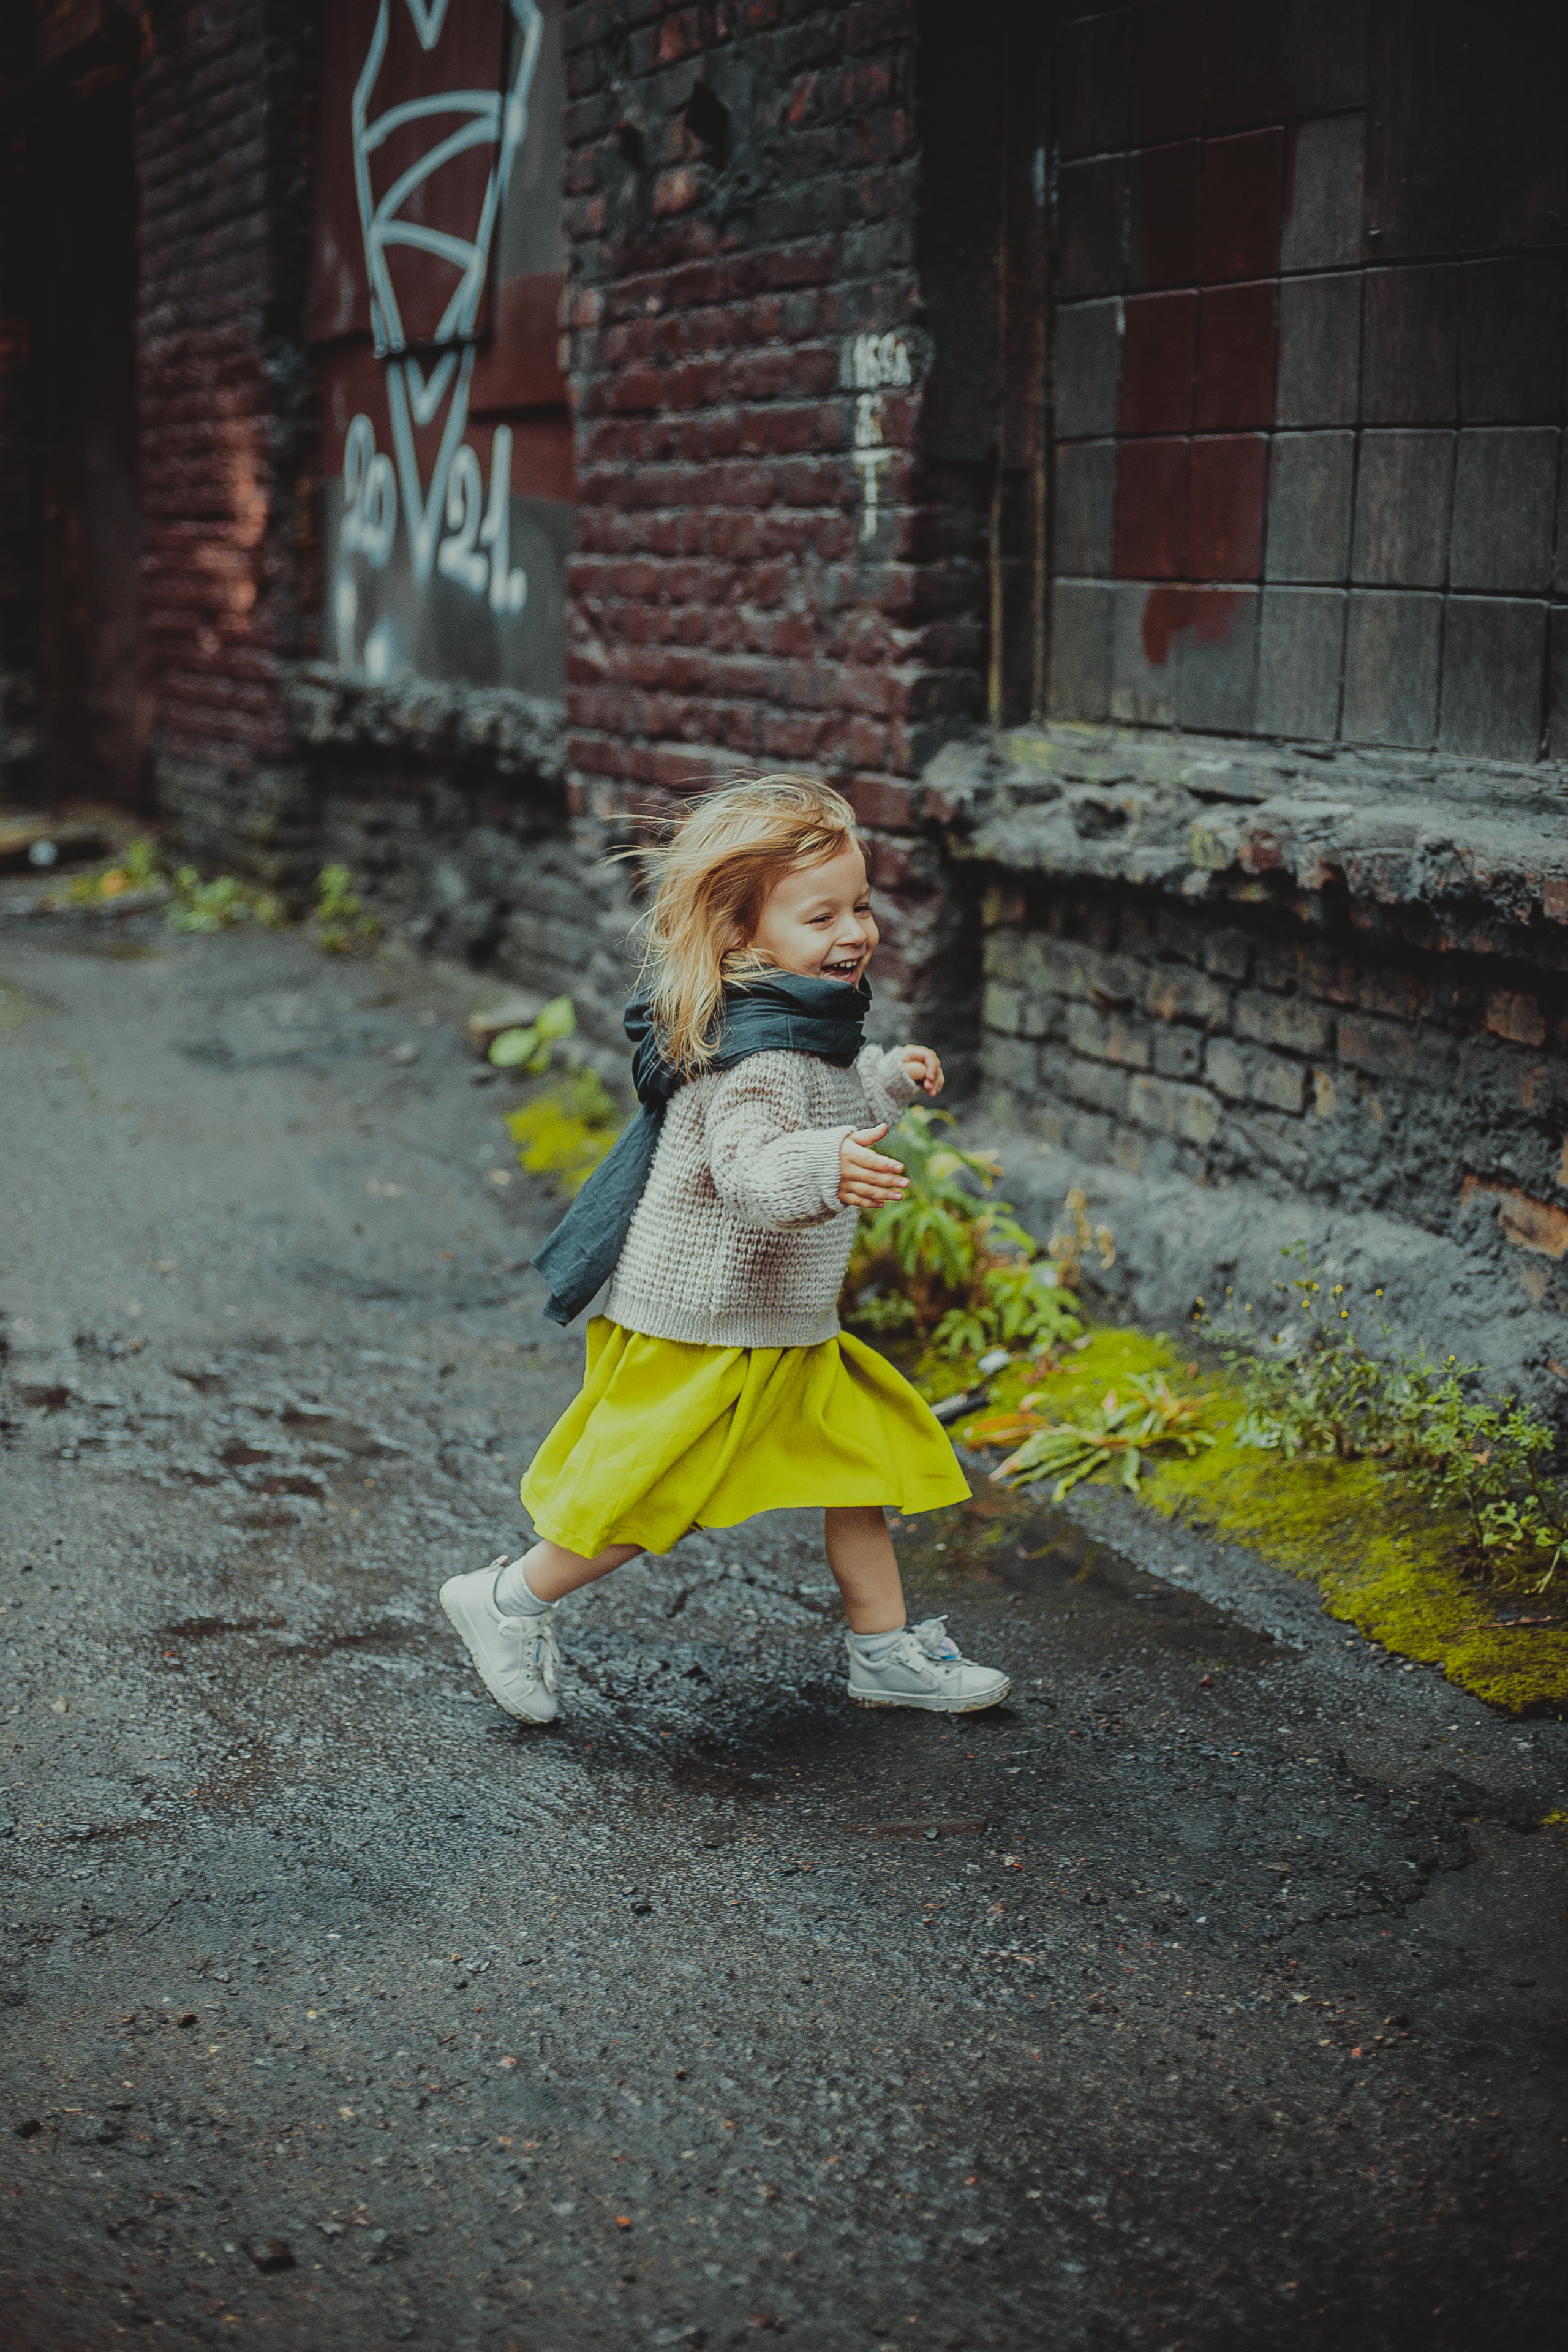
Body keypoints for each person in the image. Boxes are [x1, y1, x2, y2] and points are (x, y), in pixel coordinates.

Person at [440, 775, 1010, 1724]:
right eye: (821, 916)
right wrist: (826, 1163)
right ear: (742, 938)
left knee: (861, 1472)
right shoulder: (760, 1053)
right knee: (650, 1498)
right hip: (710, 1329)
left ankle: (883, 1653)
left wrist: (886, 1085)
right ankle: (506, 1600)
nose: (855, 932)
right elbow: (751, 1167)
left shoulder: (802, 1023)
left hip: (781, 1327)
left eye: (861, 906)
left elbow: (825, 1103)